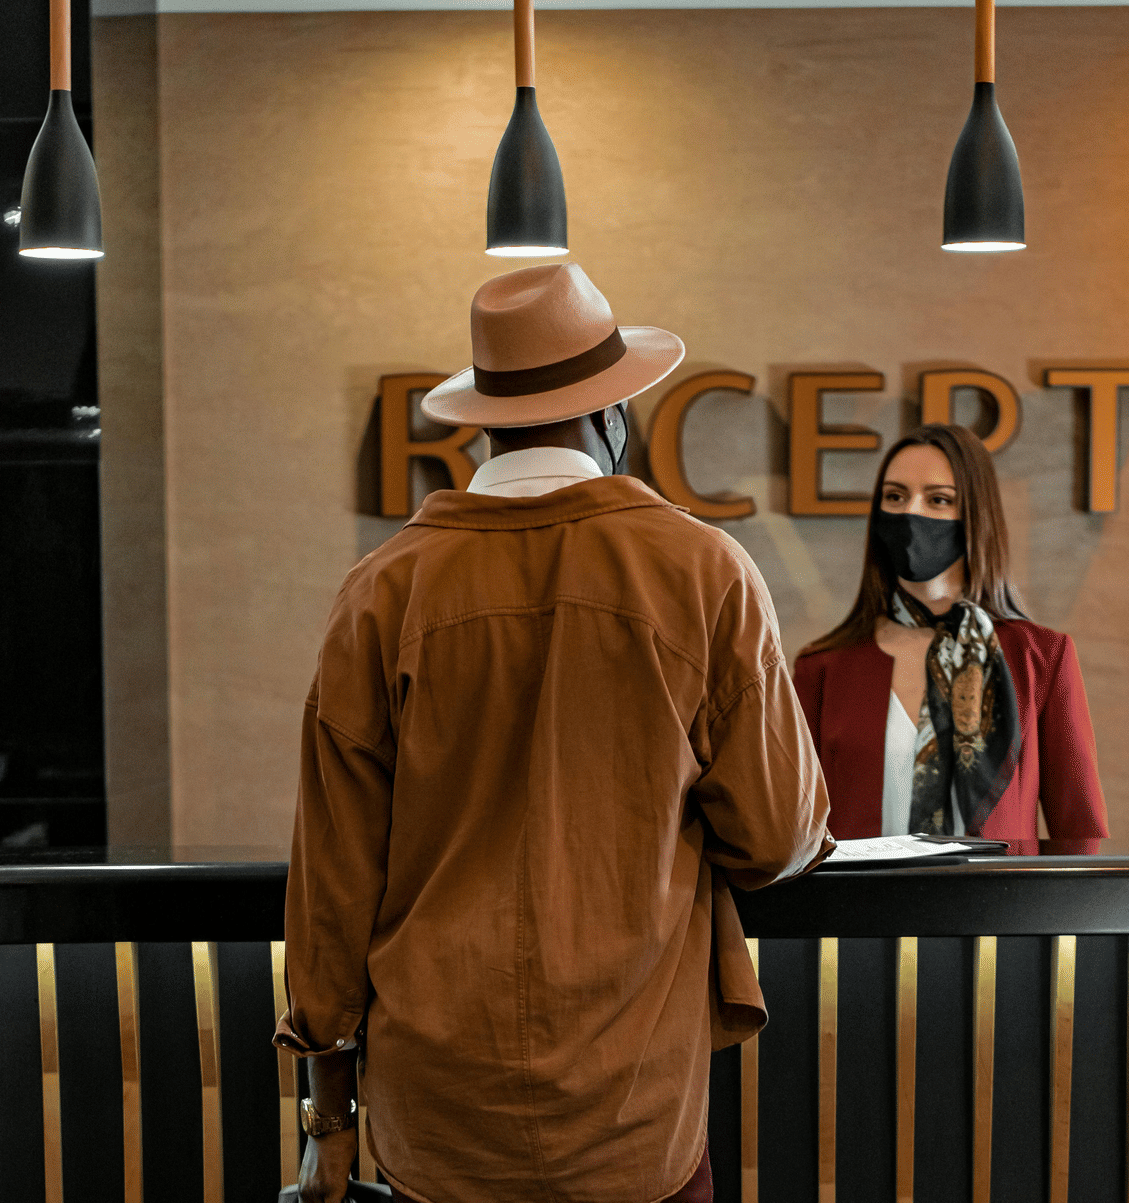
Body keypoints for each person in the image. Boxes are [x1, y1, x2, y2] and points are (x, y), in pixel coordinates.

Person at [277, 262, 834, 1203]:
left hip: (438, 1120)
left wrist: (329, 1120)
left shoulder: (382, 590)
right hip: (635, 1115)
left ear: (486, 422)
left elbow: (333, 889)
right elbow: (777, 840)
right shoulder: (704, 572)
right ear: (613, 415)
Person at [793, 424, 1107, 855]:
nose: (911, 513)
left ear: (975, 514)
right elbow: (795, 827)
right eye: (895, 497)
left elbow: (1078, 830)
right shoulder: (823, 668)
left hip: (999, 898)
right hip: (855, 899)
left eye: (938, 500)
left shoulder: (1040, 658)